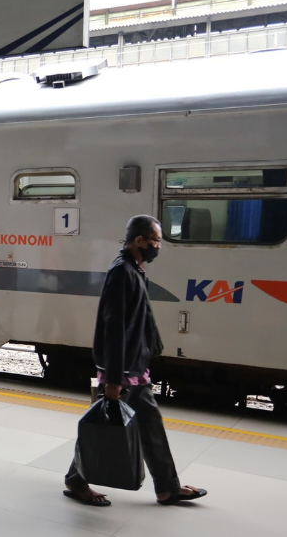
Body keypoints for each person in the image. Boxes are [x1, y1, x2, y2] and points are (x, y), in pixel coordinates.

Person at [62, 215, 207, 507]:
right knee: (103, 422)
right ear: (138, 240)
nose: (158, 247)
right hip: (123, 371)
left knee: (149, 425)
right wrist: (114, 379)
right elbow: (114, 328)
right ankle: (77, 480)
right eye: (155, 241)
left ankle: (167, 487)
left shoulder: (134, 270)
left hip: (135, 367)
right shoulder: (122, 273)